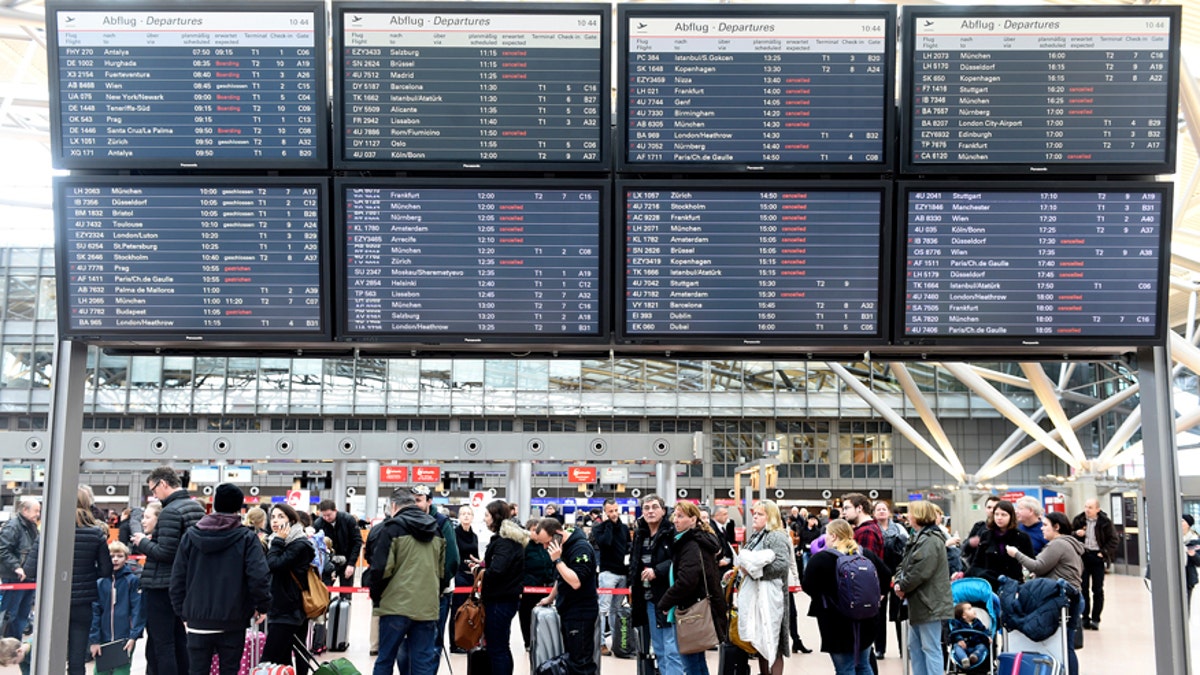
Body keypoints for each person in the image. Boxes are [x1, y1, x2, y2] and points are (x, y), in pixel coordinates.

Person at [170, 483, 271, 675]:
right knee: (230, 670)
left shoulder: (191, 537)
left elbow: (177, 579)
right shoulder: (246, 538)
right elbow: (258, 576)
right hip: (233, 619)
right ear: (239, 508)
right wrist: (262, 606)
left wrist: (183, 612)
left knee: (197, 671)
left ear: (214, 505)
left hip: (197, 620)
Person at [132, 466, 205, 675]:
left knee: (162, 643)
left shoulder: (170, 511)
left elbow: (166, 552)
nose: (154, 494)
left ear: (163, 483)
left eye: (153, 489)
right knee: (180, 640)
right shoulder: (196, 508)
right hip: (185, 584)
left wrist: (142, 542)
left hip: (162, 584)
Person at [369, 488, 446, 675]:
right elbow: (442, 571)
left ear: (394, 506)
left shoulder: (392, 528)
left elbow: (381, 569)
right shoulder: (436, 530)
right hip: (427, 607)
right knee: (423, 662)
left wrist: (376, 595)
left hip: (395, 605)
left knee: (385, 659)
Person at [803, 519, 889, 675]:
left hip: (835, 621)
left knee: (845, 668)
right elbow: (886, 575)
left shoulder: (821, 559)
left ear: (834, 536)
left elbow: (808, 585)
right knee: (864, 665)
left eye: (827, 535)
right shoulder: (866, 554)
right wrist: (877, 596)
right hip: (866, 618)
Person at [1005, 510, 1083, 675]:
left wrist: (1016, 554)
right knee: (1067, 645)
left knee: (1066, 646)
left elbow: (1038, 566)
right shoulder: (1070, 544)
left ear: (1057, 527)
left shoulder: (1058, 544)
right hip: (1073, 597)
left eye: (1045, 525)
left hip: (1065, 598)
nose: (1042, 529)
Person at [657, 501, 728, 675]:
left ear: (693, 519)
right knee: (697, 661)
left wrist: (665, 602)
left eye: (681, 516)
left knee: (690, 664)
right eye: (675, 516)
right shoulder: (695, 540)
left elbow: (687, 581)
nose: (675, 520)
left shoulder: (690, 544)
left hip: (690, 610)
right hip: (697, 607)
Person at [531, 517, 599, 675]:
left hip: (581, 612)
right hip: (568, 610)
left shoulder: (580, 549)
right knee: (572, 658)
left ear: (557, 534)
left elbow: (575, 581)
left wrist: (558, 560)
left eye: (547, 542)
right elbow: (561, 578)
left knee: (581, 661)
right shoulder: (564, 547)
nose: (546, 547)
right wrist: (550, 598)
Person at [893, 501, 953, 675]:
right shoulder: (919, 537)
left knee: (930, 647)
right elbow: (904, 565)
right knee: (916, 646)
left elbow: (920, 571)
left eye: (910, 513)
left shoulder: (931, 540)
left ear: (918, 516)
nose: (908, 517)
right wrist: (899, 581)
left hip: (929, 602)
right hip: (920, 601)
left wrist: (901, 585)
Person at [628, 494, 682, 675]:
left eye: (654, 507)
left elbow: (678, 560)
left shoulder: (671, 532)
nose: (650, 511)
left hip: (668, 597)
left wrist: (657, 571)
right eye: (646, 508)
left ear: (663, 511)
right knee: (658, 648)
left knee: (671, 648)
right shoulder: (640, 534)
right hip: (648, 598)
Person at [737, 500, 791, 675]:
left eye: (760, 514)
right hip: (757, 596)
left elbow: (782, 565)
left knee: (772, 642)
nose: (755, 516)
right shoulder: (756, 535)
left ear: (771, 517)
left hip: (771, 598)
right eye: (754, 513)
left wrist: (754, 571)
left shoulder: (775, 535)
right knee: (761, 642)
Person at [263, 503, 315, 675]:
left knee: (269, 661)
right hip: (280, 606)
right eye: (273, 517)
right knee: (282, 660)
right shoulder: (277, 542)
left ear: (292, 520)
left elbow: (274, 565)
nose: (275, 521)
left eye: (281, 517)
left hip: (289, 609)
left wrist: (278, 542)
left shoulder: (299, 544)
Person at [475, 501, 526, 674]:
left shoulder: (504, 542)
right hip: (504, 599)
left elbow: (497, 570)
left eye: (487, 516)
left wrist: (479, 570)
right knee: (500, 646)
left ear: (496, 517)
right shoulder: (509, 540)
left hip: (500, 601)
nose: (484, 519)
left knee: (498, 648)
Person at [69, 488, 114, 675]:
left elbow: (31, 568)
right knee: (77, 657)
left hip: (53, 602)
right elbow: (106, 570)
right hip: (83, 602)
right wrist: (88, 574)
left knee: (50, 650)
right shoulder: (96, 534)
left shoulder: (50, 530)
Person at [91, 542, 145, 675]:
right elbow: (95, 612)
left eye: (119, 556)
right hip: (103, 639)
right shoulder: (100, 582)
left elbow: (137, 609)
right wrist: (94, 640)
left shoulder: (132, 581)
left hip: (125, 639)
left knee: (122, 671)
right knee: (100, 671)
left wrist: (133, 636)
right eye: (111, 556)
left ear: (126, 558)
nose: (115, 559)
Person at [1071, 497, 1118, 630]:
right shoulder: (1079, 520)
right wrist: (1076, 533)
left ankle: (1096, 618)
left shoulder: (1105, 522)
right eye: (1086, 506)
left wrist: (1103, 552)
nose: (1087, 510)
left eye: (1090, 507)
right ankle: (1085, 617)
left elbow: (1113, 539)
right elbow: (1069, 535)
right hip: (1083, 556)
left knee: (1097, 589)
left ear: (1097, 509)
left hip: (1097, 557)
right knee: (1083, 588)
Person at [965, 500, 1032, 591]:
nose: (999, 518)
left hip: (1013, 585)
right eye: (996, 514)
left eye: (1003, 515)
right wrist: (983, 574)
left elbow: (1031, 562)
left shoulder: (1022, 537)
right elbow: (976, 564)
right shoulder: (986, 535)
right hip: (989, 584)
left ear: (1011, 517)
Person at [592, 498, 630, 654]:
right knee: (603, 610)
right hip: (607, 573)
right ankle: (601, 643)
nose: (614, 514)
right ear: (605, 512)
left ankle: (617, 643)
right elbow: (605, 543)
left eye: (615, 510)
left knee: (616, 610)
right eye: (610, 511)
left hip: (623, 574)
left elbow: (628, 546)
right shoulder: (599, 528)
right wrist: (609, 524)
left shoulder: (625, 528)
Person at [0, 498, 40, 639]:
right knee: (10, 615)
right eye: (36, 511)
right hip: (14, 579)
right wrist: (17, 567)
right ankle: (5, 648)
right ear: (25, 510)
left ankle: (13, 647)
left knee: (22, 616)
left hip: (28, 579)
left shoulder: (32, 527)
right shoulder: (13, 527)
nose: (38, 514)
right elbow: (3, 550)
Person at [874, 500, 907, 659]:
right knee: (879, 613)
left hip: (896, 574)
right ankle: (879, 648)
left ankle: (903, 648)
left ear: (889, 512)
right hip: (878, 576)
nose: (881, 512)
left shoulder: (899, 528)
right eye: (878, 509)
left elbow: (906, 551)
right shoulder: (872, 530)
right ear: (874, 513)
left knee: (899, 613)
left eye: (884, 509)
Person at [519, 518, 556, 650]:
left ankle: (543, 641)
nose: (537, 532)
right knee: (526, 615)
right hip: (528, 587)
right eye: (534, 530)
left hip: (545, 586)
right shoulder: (525, 547)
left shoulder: (546, 545)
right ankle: (528, 642)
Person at [448, 505, 479, 653]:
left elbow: (476, 555)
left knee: (470, 610)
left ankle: (467, 640)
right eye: (463, 514)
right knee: (457, 610)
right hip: (459, 575)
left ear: (472, 517)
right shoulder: (454, 534)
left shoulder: (474, 536)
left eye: (469, 514)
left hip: (471, 576)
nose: (466, 516)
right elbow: (453, 555)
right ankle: (454, 643)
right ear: (459, 517)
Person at [314, 499, 364, 585]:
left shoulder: (348, 520)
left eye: (329, 515)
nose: (326, 518)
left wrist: (351, 564)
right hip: (328, 563)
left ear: (335, 511)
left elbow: (357, 542)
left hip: (347, 561)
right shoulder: (318, 524)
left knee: (346, 594)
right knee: (325, 594)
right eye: (324, 515)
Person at [841, 493, 884, 559]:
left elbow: (863, 565)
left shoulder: (867, 531)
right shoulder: (868, 528)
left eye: (846, 508)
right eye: (843, 509)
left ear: (859, 508)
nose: (844, 512)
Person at [962, 496, 1001, 567]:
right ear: (985, 509)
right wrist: (969, 543)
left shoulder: (1004, 530)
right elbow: (964, 549)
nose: (992, 510)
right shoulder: (979, 526)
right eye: (989, 507)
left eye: (995, 508)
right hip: (976, 569)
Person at [949, 603, 989, 670]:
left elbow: (984, 630)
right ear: (964, 616)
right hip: (964, 646)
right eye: (970, 609)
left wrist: (987, 637)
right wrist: (960, 640)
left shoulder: (978, 622)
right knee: (956, 646)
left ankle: (974, 656)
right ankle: (964, 659)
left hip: (976, 646)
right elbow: (955, 633)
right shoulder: (958, 623)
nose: (974, 610)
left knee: (982, 646)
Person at [1184, 515, 1200, 607]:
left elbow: (1199, 562)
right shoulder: (1172, 538)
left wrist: (1193, 555)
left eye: (1182, 521)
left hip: (1188, 576)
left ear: (1188, 524)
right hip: (1172, 576)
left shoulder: (1195, 540)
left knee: (1185, 604)